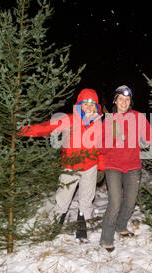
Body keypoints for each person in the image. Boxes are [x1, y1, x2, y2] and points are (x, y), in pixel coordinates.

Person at [18, 88, 104, 242]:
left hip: (90, 167)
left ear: (96, 107)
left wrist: (101, 167)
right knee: (63, 197)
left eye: (92, 105)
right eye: (86, 104)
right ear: (79, 105)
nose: (89, 108)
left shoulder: (99, 125)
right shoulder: (68, 119)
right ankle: (55, 224)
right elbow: (46, 128)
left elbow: (103, 147)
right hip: (70, 167)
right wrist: (24, 130)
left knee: (86, 198)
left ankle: (83, 225)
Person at [99, 85, 152, 252]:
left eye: (127, 99)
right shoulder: (109, 120)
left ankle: (121, 226)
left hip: (133, 166)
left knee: (130, 201)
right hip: (113, 165)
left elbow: (151, 137)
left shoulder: (138, 117)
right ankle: (106, 238)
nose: (124, 102)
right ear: (115, 101)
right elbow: (100, 147)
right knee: (115, 202)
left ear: (130, 102)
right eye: (120, 99)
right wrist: (112, 137)